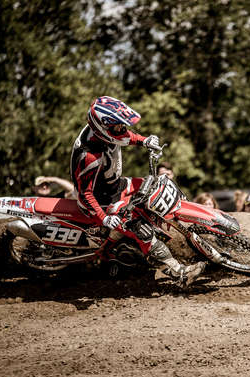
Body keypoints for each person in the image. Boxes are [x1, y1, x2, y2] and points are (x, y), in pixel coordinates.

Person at [70, 96, 205, 285]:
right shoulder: (89, 155)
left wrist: (145, 141)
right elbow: (85, 194)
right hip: (99, 202)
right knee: (140, 228)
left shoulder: (104, 133)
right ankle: (178, 273)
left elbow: (126, 137)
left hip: (114, 186)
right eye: (118, 126)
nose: (122, 129)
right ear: (103, 128)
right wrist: (104, 218)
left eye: (122, 125)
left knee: (157, 185)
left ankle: (191, 224)